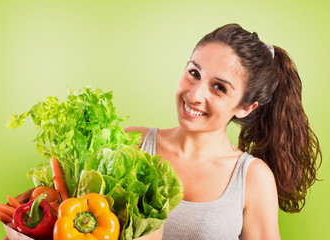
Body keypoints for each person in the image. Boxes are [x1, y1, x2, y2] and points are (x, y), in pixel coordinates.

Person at [125, 23, 322, 240]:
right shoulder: (133, 143)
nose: (195, 95)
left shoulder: (252, 178)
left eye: (219, 87)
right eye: (194, 73)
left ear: (245, 107)